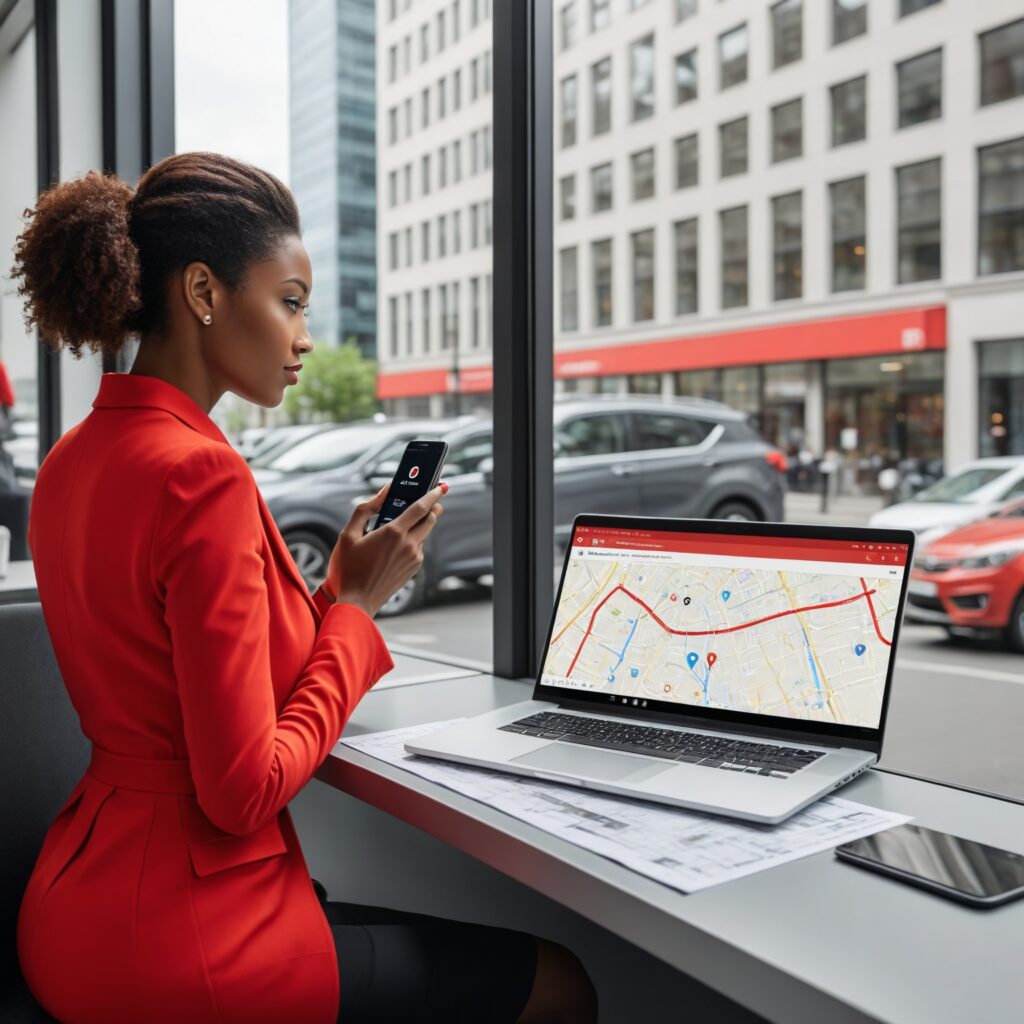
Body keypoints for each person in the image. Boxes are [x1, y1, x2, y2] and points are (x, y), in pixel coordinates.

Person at [10, 153, 597, 1024]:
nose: (305, 337)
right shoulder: (198, 473)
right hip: (186, 940)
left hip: (72, 913)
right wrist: (356, 616)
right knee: (561, 986)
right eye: (289, 302)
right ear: (205, 292)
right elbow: (241, 789)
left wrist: (335, 594)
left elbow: (187, 674)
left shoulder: (70, 461)